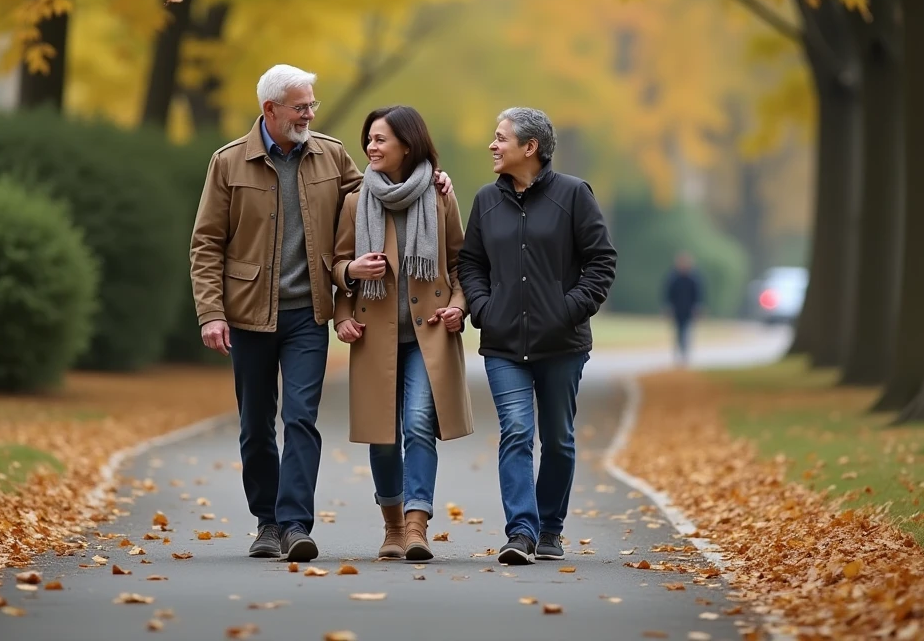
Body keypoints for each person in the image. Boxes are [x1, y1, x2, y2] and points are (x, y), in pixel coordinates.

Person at [189, 64, 451, 563]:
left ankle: (294, 524)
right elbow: (205, 244)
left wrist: (428, 179)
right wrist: (211, 313)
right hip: (247, 315)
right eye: (301, 106)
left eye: (313, 104)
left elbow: (379, 193)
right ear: (271, 110)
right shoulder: (228, 163)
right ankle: (266, 521)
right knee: (255, 424)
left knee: (301, 419)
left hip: (308, 312)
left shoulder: (331, 155)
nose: (311, 113)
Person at [459, 107, 617, 566]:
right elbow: (471, 263)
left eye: (500, 137)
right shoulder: (486, 201)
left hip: (561, 345)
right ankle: (521, 533)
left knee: (558, 438)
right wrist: (486, 309)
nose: (493, 145)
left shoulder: (574, 195)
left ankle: (550, 528)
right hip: (504, 344)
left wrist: (568, 310)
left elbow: (601, 262)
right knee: (516, 432)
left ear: (529, 148)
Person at [332, 106, 473, 562]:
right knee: (382, 433)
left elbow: (459, 264)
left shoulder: (439, 197)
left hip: (426, 335)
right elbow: (335, 267)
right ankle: (392, 527)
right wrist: (344, 307)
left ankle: (416, 526)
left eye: (380, 140)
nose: (371, 147)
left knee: (417, 424)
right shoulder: (356, 201)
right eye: (368, 139)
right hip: (374, 335)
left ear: (406, 146)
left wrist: (457, 306)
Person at [663, 252, 705, 366]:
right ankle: (679, 354)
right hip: (677, 310)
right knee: (678, 332)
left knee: (686, 332)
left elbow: (698, 295)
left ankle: (685, 354)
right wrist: (668, 308)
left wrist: (697, 308)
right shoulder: (674, 278)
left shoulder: (693, 279)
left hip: (688, 310)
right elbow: (668, 294)